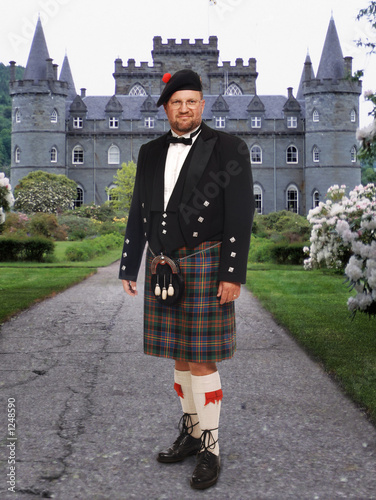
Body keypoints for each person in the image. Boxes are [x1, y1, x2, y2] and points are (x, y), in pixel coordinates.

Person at [119, 69, 254, 490]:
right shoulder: (149, 151)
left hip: (205, 262)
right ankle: (192, 432)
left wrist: (232, 273)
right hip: (164, 263)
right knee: (178, 355)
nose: (184, 108)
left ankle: (211, 448)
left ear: (202, 104)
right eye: (176, 102)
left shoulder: (229, 147)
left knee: (201, 358)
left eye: (191, 101)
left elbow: (240, 215)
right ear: (166, 108)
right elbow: (140, 209)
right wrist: (129, 263)